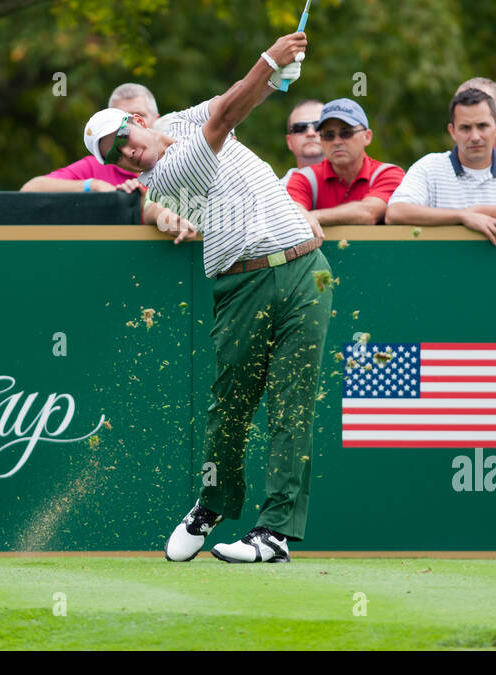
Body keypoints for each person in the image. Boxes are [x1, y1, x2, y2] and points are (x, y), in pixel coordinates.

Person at [83, 31, 329, 564]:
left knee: (292, 406)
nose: (128, 153)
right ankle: (213, 503)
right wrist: (269, 60)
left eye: (123, 137)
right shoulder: (169, 176)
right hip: (243, 283)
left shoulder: (181, 120)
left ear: (140, 122)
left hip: (308, 268)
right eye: (117, 156)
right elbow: (225, 121)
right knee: (232, 406)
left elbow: (231, 101)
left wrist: (277, 76)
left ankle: (275, 534)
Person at [22, 83, 195, 241]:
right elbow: (29, 190)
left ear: (141, 121)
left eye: (124, 133)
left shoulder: (183, 152)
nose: (126, 148)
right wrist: (94, 186)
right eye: (117, 136)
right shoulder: (96, 166)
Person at [385, 87, 496, 244]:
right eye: (465, 128)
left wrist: (481, 211)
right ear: (452, 131)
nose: (475, 136)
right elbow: (396, 212)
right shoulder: (429, 167)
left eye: (482, 126)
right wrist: (462, 216)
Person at [285, 98, 404, 225]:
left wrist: (313, 216)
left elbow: (368, 213)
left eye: (346, 133)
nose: (337, 141)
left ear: (367, 136)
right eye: (329, 135)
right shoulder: (303, 178)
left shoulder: (389, 174)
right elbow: (293, 215)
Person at [280, 99, 324, 183]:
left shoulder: (354, 185)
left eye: (319, 126)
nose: (310, 133)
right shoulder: (274, 193)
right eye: (300, 128)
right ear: (289, 142)